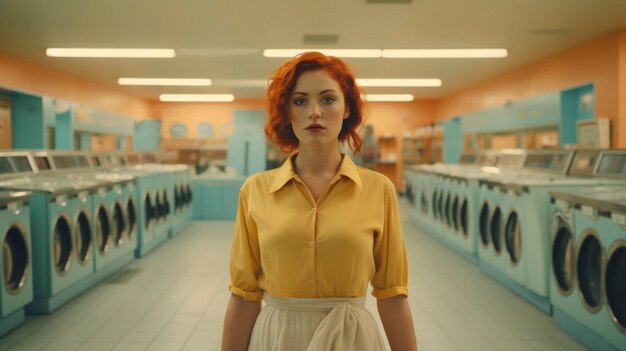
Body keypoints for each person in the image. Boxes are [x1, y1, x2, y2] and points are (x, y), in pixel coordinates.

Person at [221, 51, 418, 351]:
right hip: (278, 338)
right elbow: (243, 298)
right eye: (300, 101)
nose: (314, 111)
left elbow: (392, 296)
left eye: (327, 99)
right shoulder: (255, 191)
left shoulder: (378, 189)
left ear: (347, 108)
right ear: (287, 112)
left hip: (351, 338)